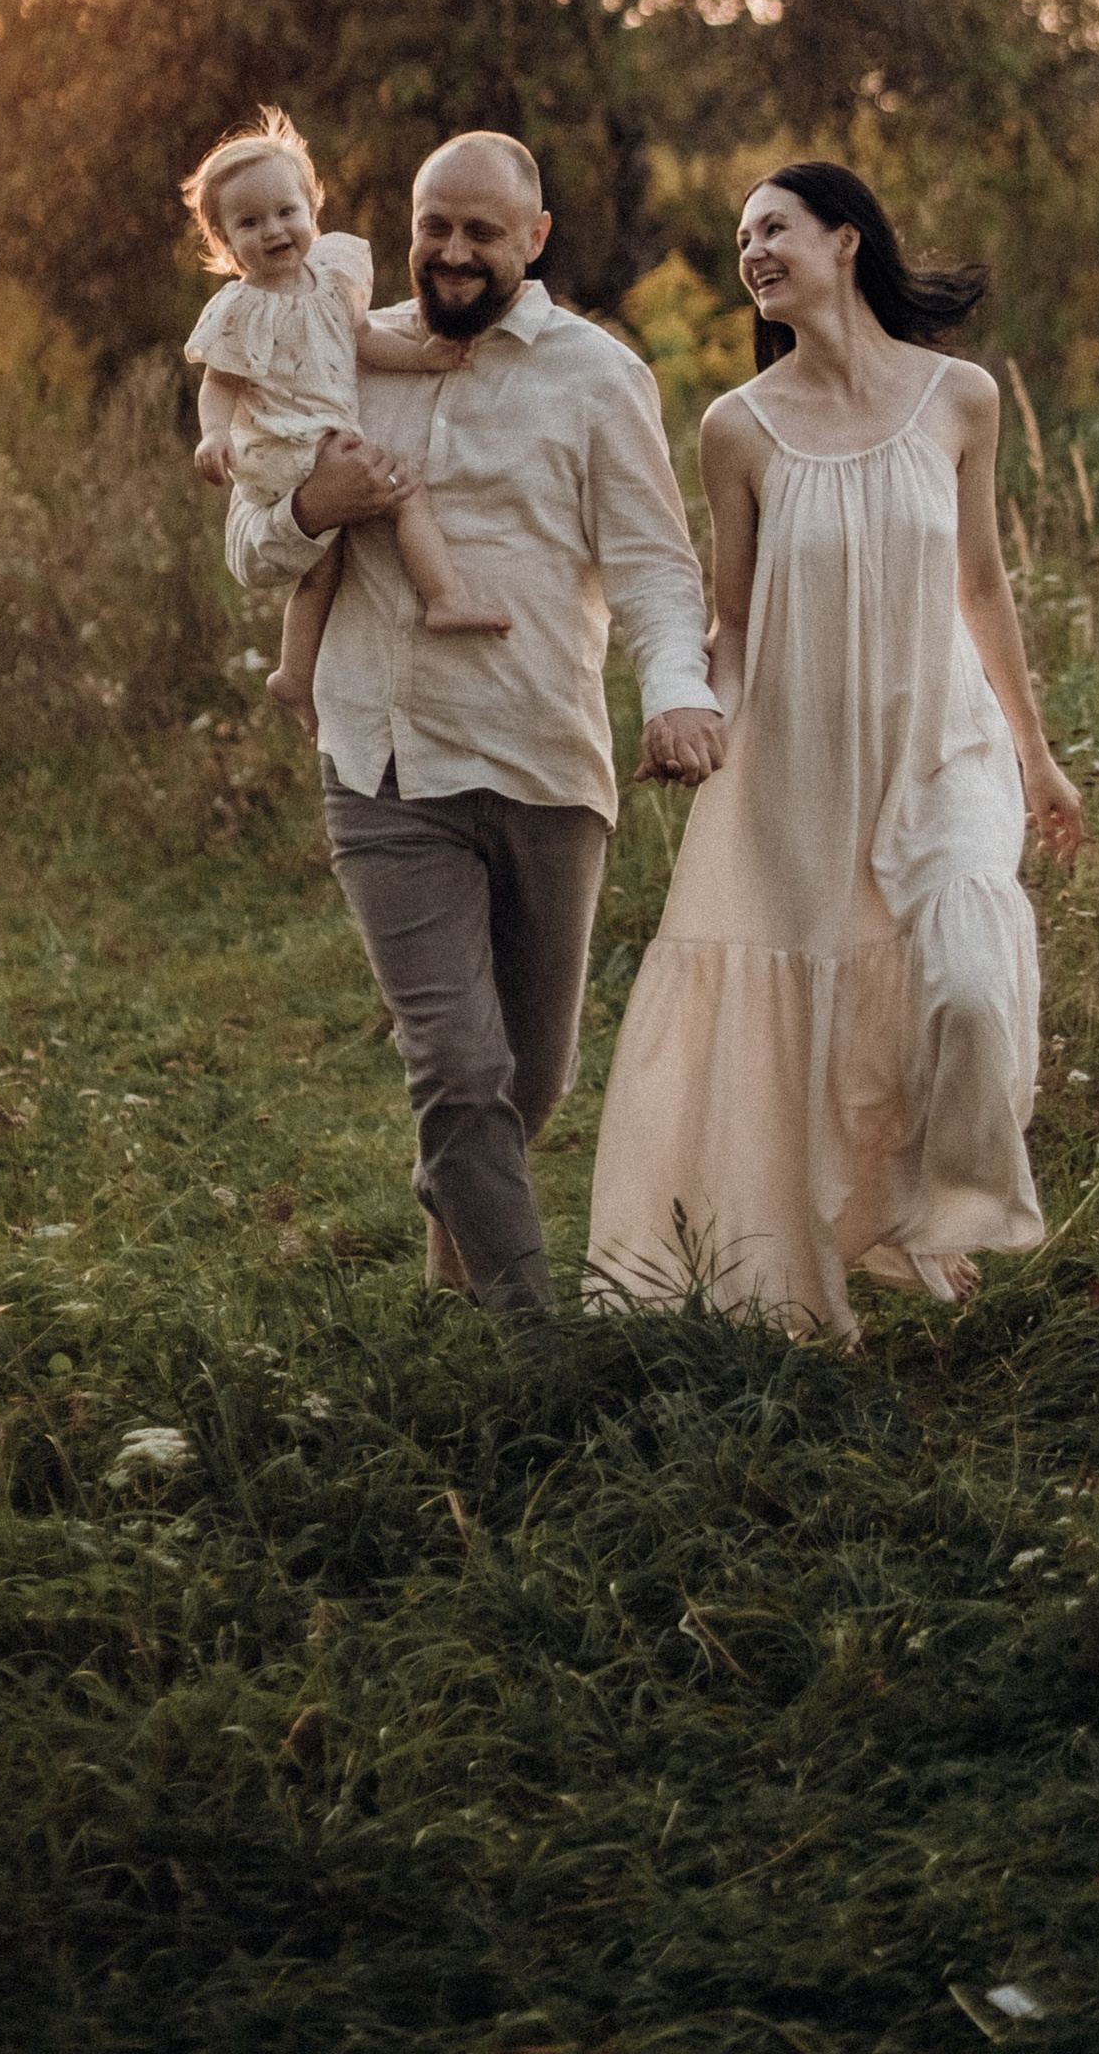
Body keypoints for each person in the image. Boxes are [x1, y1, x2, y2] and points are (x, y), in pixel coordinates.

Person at [223, 129, 723, 1319]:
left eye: (480, 232)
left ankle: (455, 1243)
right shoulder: (337, 351)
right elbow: (251, 549)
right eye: (432, 226)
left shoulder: (598, 378)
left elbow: (655, 570)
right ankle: (534, 1357)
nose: (450, 252)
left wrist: (678, 695)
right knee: (460, 1066)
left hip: (546, 759)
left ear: (535, 239)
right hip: (385, 764)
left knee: (524, 1089)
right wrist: (308, 504)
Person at [586, 161, 1084, 1339]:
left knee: (966, 988)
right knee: (815, 1016)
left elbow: (981, 584)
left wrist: (1037, 754)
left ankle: (927, 1210)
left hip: (942, 746)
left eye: (773, 227)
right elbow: (736, 619)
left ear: (846, 239)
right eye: (740, 238)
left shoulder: (961, 398)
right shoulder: (737, 429)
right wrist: (691, 713)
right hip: (800, 758)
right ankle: (833, 1244)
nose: (752, 251)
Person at [182, 110, 509, 734]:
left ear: (312, 208)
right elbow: (220, 383)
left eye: (286, 212)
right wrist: (216, 434)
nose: (273, 231)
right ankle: (445, 597)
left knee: (323, 563)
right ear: (224, 243)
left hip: (325, 436)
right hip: (287, 445)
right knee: (403, 489)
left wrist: (423, 358)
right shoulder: (239, 309)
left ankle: (294, 674)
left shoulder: (333, 280)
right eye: (249, 223)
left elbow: (362, 342)